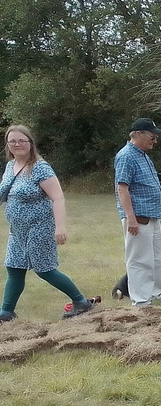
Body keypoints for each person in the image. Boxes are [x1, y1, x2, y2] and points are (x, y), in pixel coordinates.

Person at [0, 125, 94, 321]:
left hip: (39, 228)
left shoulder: (40, 168)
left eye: (21, 141)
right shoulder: (10, 167)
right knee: (14, 267)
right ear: (7, 145)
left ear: (30, 143)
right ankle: (6, 313)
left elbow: (58, 198)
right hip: (18, 231)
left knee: (45, 270)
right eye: (12, 141)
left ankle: (81, 302)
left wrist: (60, 226)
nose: (17, 144)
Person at [115, 117, 161, 306]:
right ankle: (141, 300)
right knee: (139, 259)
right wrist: (130, 218)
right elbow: (122, 188)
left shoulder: (143, 155)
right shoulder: (126, 156)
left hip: (152, 215)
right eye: (152, 137)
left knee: (156, 257)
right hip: (138, 217)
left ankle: (156, 293)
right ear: (138, 134)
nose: (154, 141)